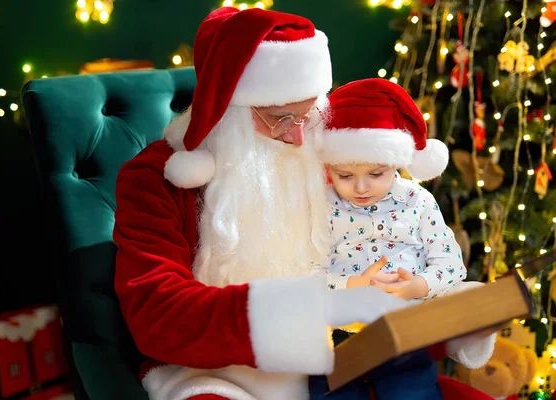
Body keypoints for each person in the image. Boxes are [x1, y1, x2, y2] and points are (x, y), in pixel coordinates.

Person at [113, 6, 494, 400]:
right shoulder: (158, 178)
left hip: (339, 366)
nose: (297, 137)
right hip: (216, 374)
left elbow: (392, 264)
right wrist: (328, 308)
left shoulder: (332, 162)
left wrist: (457, 306)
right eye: (279, 118)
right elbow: (159, 317)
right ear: (228, 109)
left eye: (309, 113)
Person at [307, 78, 496, 399]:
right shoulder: (322, 205)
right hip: (340, 333)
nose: (361, 188)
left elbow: (451, 263)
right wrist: (349, 283)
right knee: (330, 389)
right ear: (329, 168)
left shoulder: (417, 202)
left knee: (411, 390)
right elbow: (305, 271)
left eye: (376, 174)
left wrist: (418, 285)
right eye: (345, 176)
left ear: (395, 164)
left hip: (404, 331)